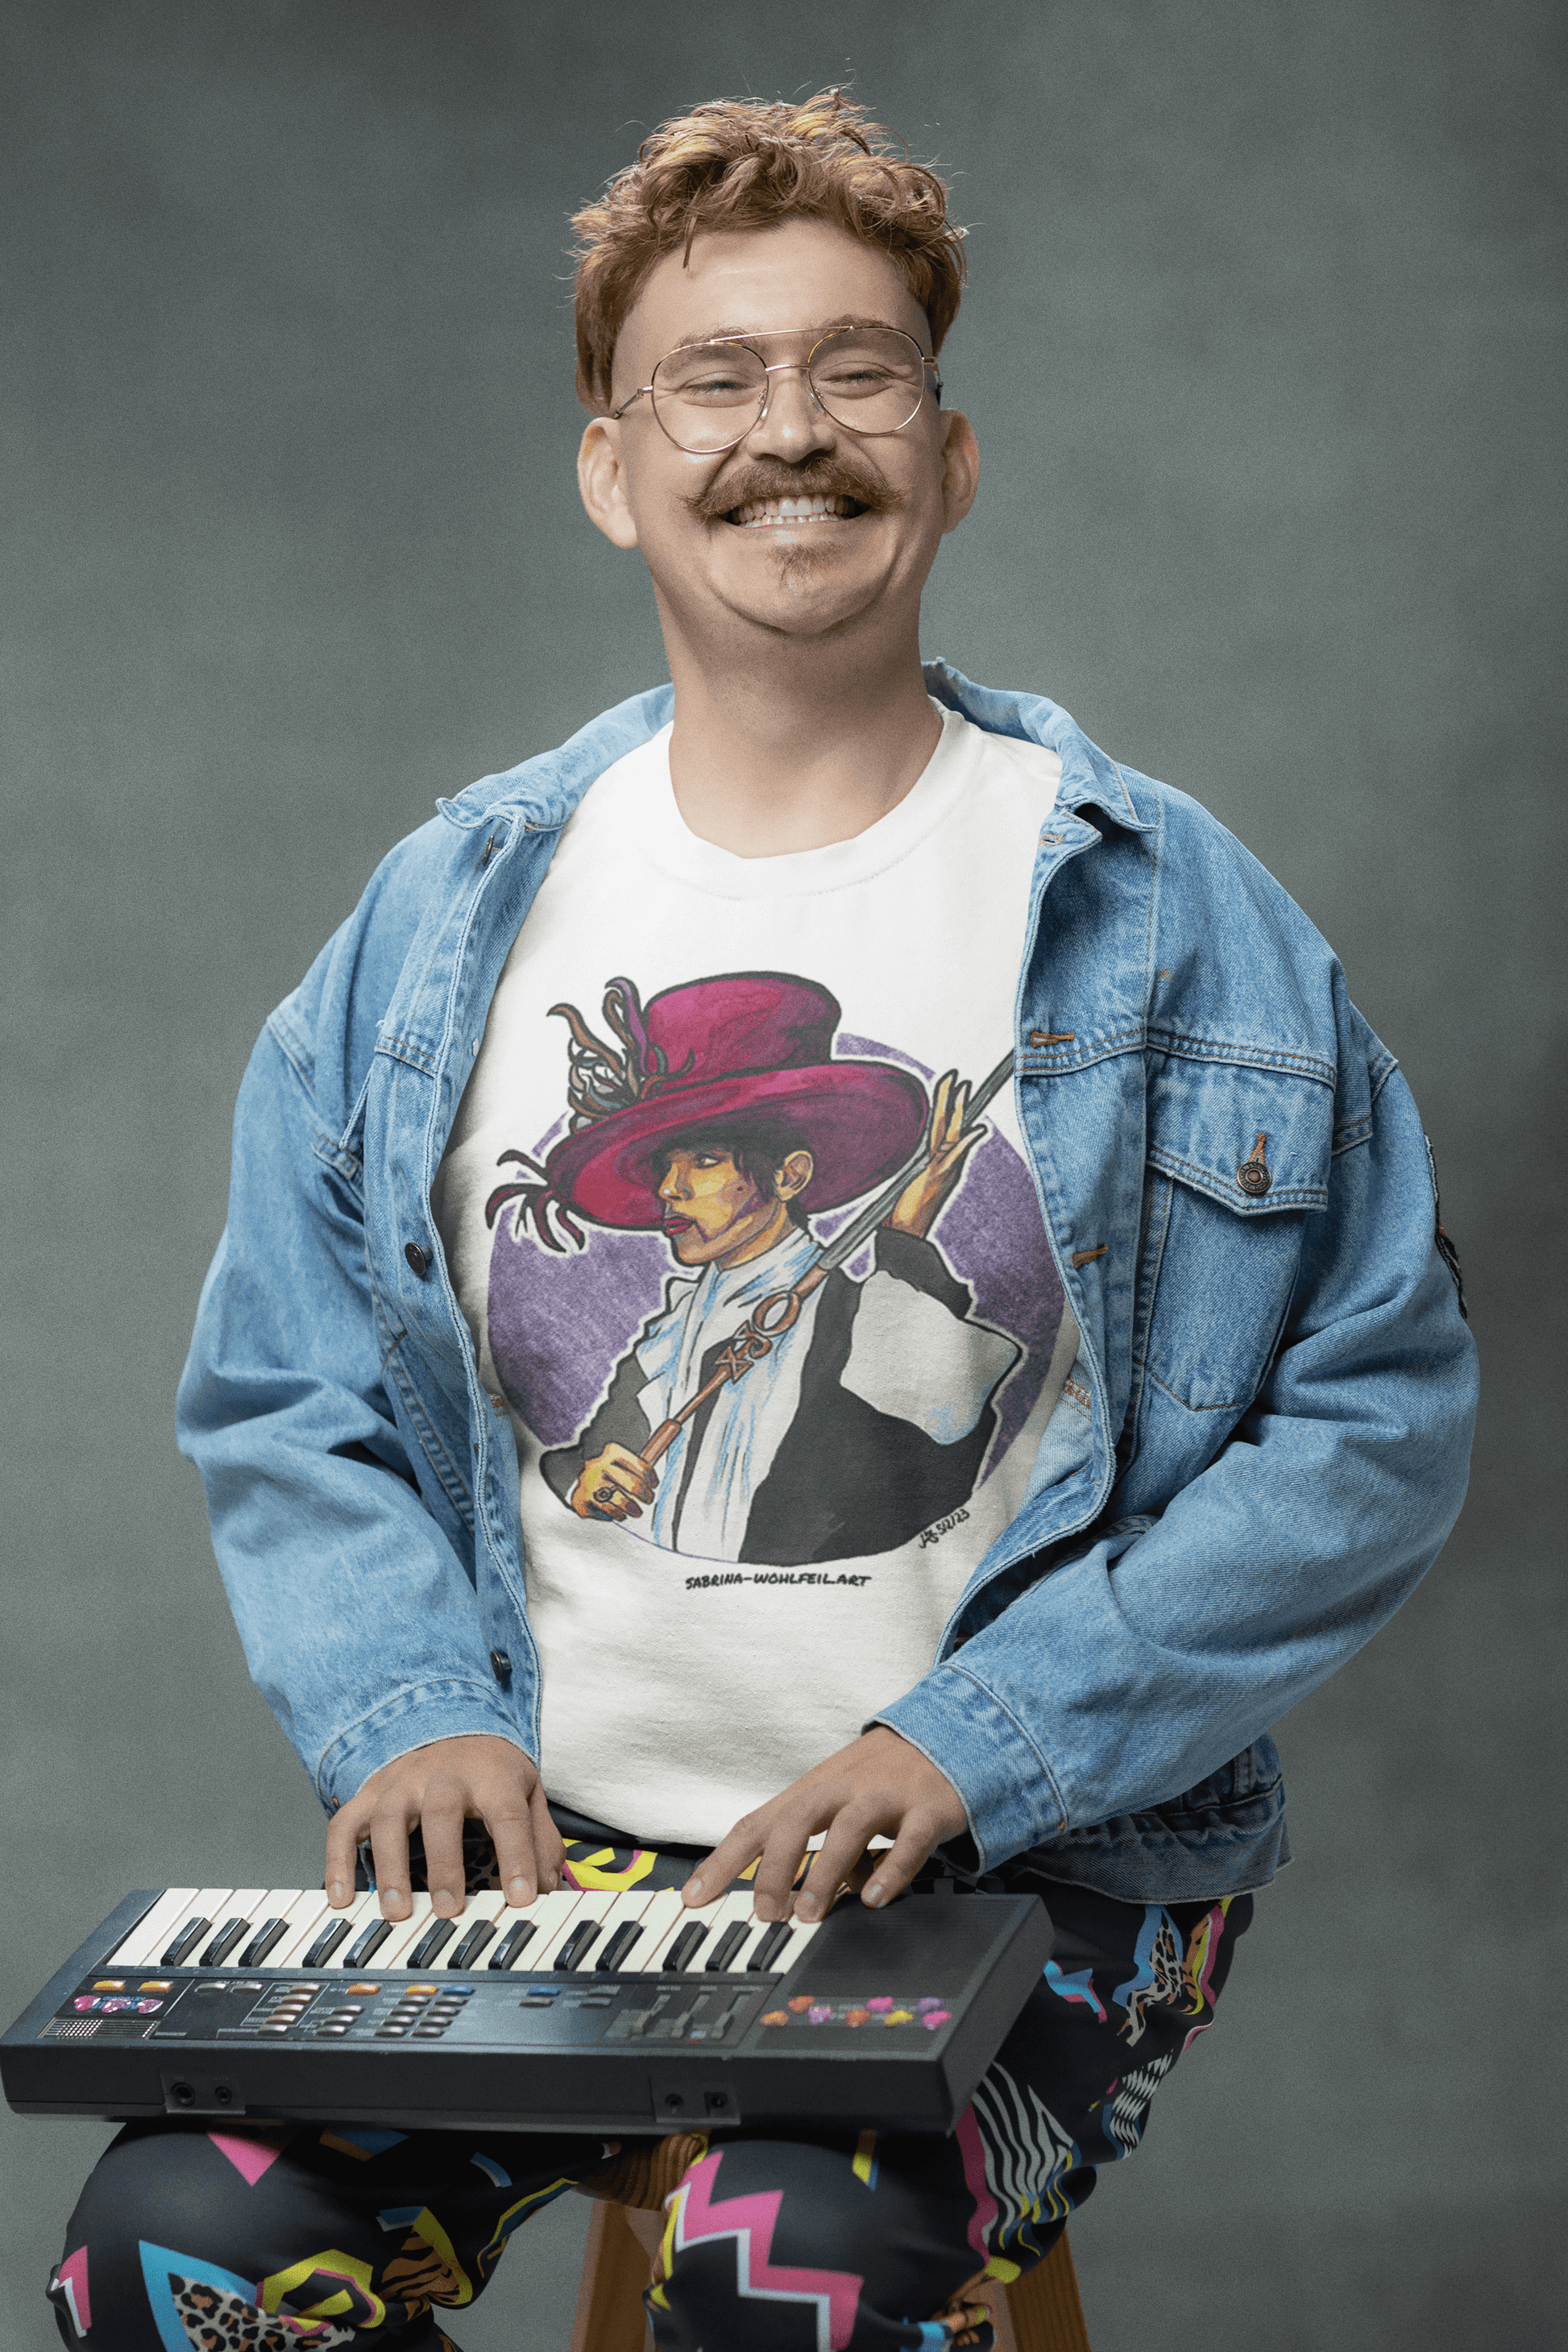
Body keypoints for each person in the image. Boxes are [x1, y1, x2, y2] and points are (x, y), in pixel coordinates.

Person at [51, 90, 1476, 2352]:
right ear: (611, 465)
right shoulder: (443, 918)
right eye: (713, 379)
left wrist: (977, 1738)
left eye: (859, 369)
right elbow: (286, 1382)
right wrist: (409, 1707)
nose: (787, 434)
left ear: (954, 449)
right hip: (564, 1875)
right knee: (169, 2252)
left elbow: (1378, 1415)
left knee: (778, 2278)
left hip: (1032, 1865)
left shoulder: (1170, 908)